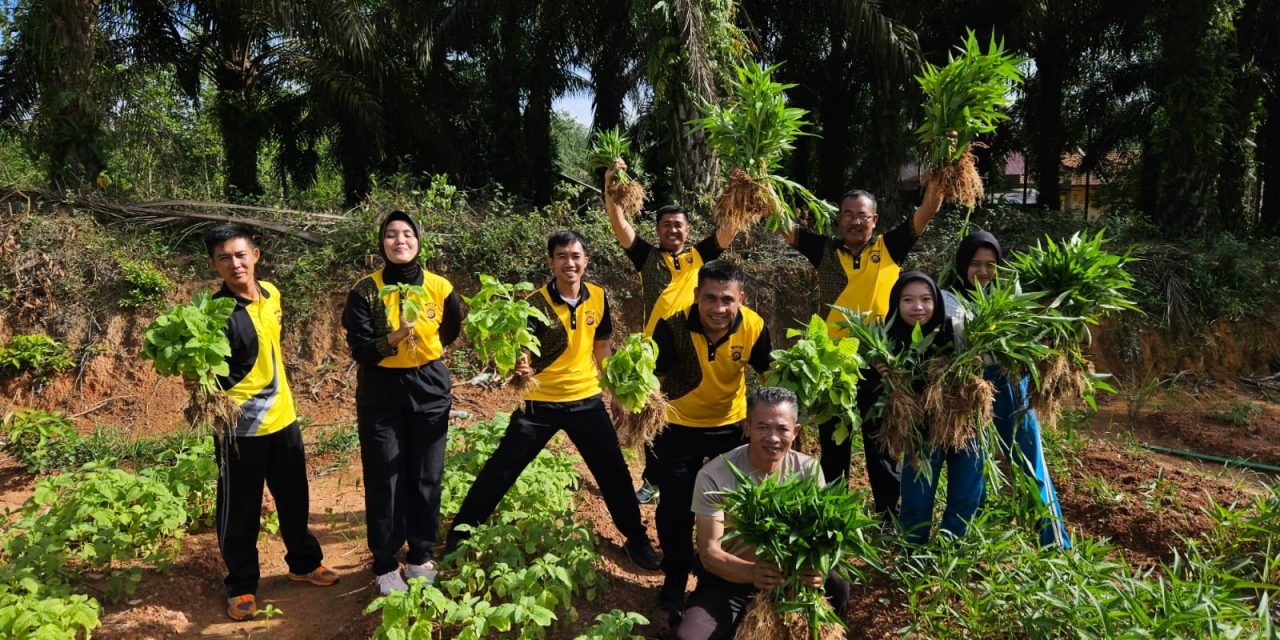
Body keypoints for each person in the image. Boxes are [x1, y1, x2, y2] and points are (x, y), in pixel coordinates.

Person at [443, 231, 661, 570]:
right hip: (539, 405)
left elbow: (601, 349)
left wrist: (615, 394)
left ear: (586, 261)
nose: (569, 263)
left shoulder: (600, 298)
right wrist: (520, 364)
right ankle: (459, 536)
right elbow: (523, 351)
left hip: (586, 401)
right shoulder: (533, 303)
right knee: (501, 469)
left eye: (576, 256)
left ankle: (636, 539)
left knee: (614, 473)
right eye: (562, 256)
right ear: (551, 262)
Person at [779, 181, 944, 520]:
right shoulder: (824, 250)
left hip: (878, 365)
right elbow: (782, 223)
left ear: (875, 220)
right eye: (848, 215)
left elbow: (927, 211)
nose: (855, 222)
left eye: (862, 216)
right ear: (839, 220)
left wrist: (944, 171)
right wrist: (758, 177)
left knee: (881, 444)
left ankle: (887, 513)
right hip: (832, 368)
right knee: (835, 445)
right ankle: (833, 510)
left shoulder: (888, 248)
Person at [201, 224, 336, 622]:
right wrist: (197, 377)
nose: (234, 263)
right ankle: (241, 584)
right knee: (240, 507)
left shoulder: (273, 294)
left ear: (255, 256)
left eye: (240, 255)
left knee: (295, 496)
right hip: (239, 427)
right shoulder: (213, 313)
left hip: (284, 418)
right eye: (224, 258)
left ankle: (304, 563)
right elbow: (203, 366)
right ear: (213, 264)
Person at [604, 159, 740, 505]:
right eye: (666, 226)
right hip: (655, 353)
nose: (673, 231)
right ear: (658, 230)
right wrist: (612, 188)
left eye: (678, 225)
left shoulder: (700, 256)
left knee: (684, 416)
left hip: (694, 346)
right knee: (653, 419)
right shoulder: (647, 258)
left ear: (687, 229)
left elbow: (727, 231)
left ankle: (698, 479)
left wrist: (744, 190)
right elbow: (620, 225)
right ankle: (652, 480)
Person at [341, 211, 463, 595]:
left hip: (428, 383)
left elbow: (451, 328)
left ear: (418, 241)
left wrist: (425, 348)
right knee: (385, 475)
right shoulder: (365, 290)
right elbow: (360, 348)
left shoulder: (440, 286)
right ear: (382, 244)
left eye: (407, 234)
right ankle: (384, 561)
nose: (399, 241)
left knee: (427, 472)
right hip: (381, 389)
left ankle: (420, 554)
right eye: (391, 235)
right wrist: (394, 339)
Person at [649, 260, 772, 622]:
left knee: (732, 505)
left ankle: (716, 575)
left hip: (730, 427)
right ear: (696, 296)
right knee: (674, 506)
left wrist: (769, 426)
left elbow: (769, 374)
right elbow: (652, 375)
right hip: (677, 425)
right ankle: (674, 580)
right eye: (710, 299)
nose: (718, 309)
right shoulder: (671, 325)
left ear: (741, 299)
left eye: (727, 300)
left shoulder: (753, 325)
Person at [676, 387, 850, 640]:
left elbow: (821, 537)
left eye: (782, 429)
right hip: (732, 577)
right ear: (747, 427)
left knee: (838, 583)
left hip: (791, 575)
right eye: (762, 427)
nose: (773, 437)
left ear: (796, 431)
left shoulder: (808, 470)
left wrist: (817, 569)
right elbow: (710, 552)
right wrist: (752, 573)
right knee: (690, 637)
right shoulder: (714, 475)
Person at [941, 231, 1071, 549]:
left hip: (1010, 383)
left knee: (1028, 459)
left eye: (991, 264)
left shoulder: (1012, 298)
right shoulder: (947, 298)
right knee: (973, 464)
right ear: (962, 264)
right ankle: (968, 541)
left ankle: (1054, 542)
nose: (984, 272)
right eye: (975, 264)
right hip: (971, 386)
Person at [888, 271, 983, 545]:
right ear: (896, 304)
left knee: (965, 493)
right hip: (921, 429)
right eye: (908, 300)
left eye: (926, 299)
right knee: (917, 493)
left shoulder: (958, 331)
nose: (917, 307)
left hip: (963, 423)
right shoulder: (890, 339)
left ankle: (950, 548)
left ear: (937, 302)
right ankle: (911, 549)